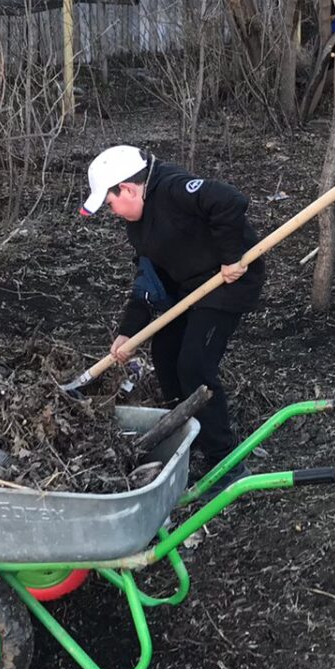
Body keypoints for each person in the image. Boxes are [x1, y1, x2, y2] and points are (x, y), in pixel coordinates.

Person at [80, 145, 264, 477]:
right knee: (165, 356)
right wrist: (128, 331)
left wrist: (230, 256)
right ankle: (189, 437)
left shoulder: (173, 188)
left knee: (193, 366)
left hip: (229, 282)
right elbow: (149, 280)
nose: (114, 212)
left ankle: (225, 460)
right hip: (189, 288)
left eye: (110, 204)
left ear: (128, 188)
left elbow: (228, 201)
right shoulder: (138, 226)